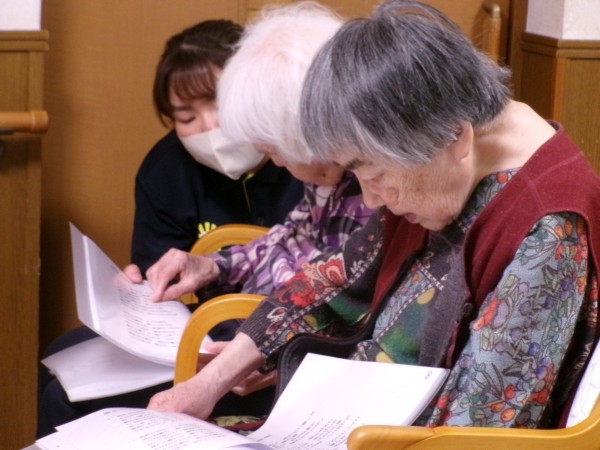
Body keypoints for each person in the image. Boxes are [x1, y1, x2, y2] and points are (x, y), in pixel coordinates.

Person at [146, 0, 600, 431]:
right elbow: (331, 282)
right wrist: (209, 383)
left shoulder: (548, 228)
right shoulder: (433, 157)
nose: (371, 199)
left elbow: (476, 427)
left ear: (455, 138)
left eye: (374, 173)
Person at [38, 4, 373, 438]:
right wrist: (212, 267)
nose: (276, 161)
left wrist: (241, 358)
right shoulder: (322, 175)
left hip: (292, 349)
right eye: (186, 116)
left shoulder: (364, 182)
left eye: (275, 147)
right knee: (60, 362)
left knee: (67, 397)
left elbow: (328, 294)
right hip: (254, 327)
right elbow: (290, 241)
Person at [131, 19, 304, 274]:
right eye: (186, 118)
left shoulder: (311, 156)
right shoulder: (165, 172)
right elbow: (159, 275)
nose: (210, 126)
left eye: (221, 103)